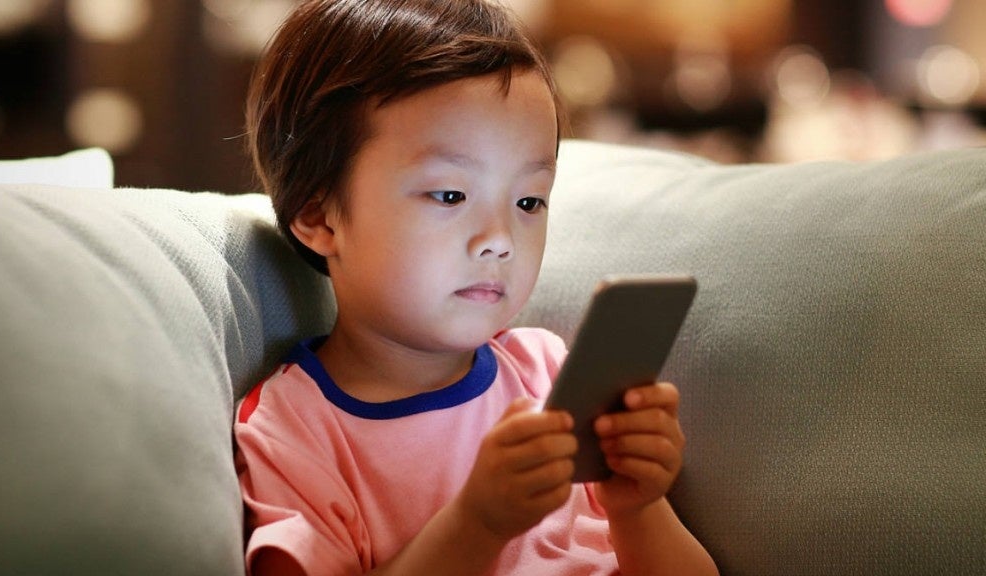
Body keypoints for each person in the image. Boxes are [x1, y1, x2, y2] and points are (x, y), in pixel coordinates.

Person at [234, 0, 718, 574]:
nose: (500, 238)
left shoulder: (548, 374)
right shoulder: (292, 429)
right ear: (319, 216)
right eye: (450, 196)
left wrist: (638, 507)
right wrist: (478, 524)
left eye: (529, 201)